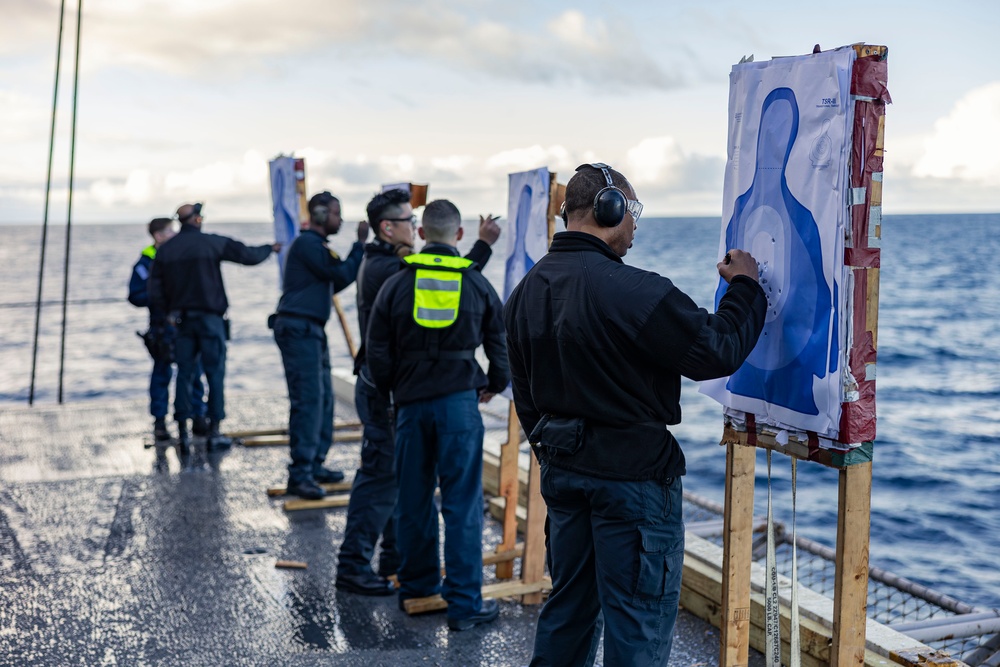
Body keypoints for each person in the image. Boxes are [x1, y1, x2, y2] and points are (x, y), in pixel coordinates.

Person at [503, 163, 767, 665]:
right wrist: (746, 288)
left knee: (568, 613)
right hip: (634, 483)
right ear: (611, 208)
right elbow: (719, 350)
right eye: (633, 211)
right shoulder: (636, 291)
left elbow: (526, 400)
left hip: (564, 476)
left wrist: (558, 458)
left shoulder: (524, 292)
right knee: (638, 627)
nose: (636, 226)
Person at [336, 189, 500, 596]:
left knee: (411, 492)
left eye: (416, 221)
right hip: (419, 398)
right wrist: (494, 383)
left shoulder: (396, 273)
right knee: (397, 483)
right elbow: (464, 292)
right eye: (407, 221)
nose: (412, 226)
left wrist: (399, 388)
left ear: (424, 231)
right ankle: (358, 566)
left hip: (402, 397)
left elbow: (381, 345)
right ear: (388, 228)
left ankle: (411, 576)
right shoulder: (387, 270)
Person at [148, 202, 280, 453]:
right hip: (211, 321)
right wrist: (270, 248)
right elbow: (248, 256)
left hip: (182, 322)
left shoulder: (166, 251)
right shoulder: (211, 242)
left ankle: (183, 434)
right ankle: (214, 431)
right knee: (215, 373)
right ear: (197, 220)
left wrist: (167, 317)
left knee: (185, 375)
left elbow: (155, 293)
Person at [270, 191, 368, 500]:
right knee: (309, 401)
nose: (340, 219)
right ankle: (300, 474)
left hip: (311, 330)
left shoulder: (316, 247)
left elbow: (337, 280)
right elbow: (338, 273)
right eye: (337, 213)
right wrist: (360, 245)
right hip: (299, 330)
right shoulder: (309, 244)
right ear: (323, 215)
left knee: (323, 399)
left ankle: (314, 465)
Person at [128, 217, 207, 441]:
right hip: (162, 328)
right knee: (162, 375)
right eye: (171, 231)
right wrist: (159, 295)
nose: (175, 234)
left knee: (193, 373)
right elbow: (135, 295)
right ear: (158, 236)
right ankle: (160, 422)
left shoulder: (181, 255)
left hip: (186, 325)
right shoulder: (146, 262)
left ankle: (198, 417)